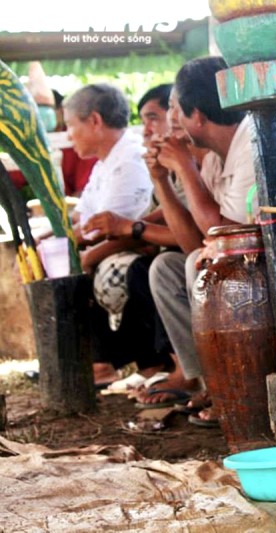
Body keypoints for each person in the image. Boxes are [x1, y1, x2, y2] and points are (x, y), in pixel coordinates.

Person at [134, 57, 256, 423]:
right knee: (166, 267)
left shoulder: (248, 143)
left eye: (176, 110)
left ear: (198, 116)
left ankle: (232, 391)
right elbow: (191, 242)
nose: (173, 121)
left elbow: (225, 235)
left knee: (198, 265)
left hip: (262, 269)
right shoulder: (216, 157)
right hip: (237, 262)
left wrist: (185, 167)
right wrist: (161, 181)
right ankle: (207, 379)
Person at [83, 83, 178, 391]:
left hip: (170, 251)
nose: (145, 129)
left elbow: (187, 227)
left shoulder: (133, 158)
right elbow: (158, 213)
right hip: (158, 246)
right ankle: (144, 366)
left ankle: (168, 366)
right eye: (143, 119)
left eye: (154, 117)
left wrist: (130, 228)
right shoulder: (149, 160)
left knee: (141, 267)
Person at [61, 83, 155, 386]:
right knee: (66, 261)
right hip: (118, 247)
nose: (68, 134)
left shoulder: (130, 160)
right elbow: (83, 220)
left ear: (95, 121)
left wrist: (85, 253)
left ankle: (121, 364)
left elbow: (116, 230)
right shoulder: (105, 163)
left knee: (88, 268)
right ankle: (93, 362)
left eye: (71, 125)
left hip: (139, 251)